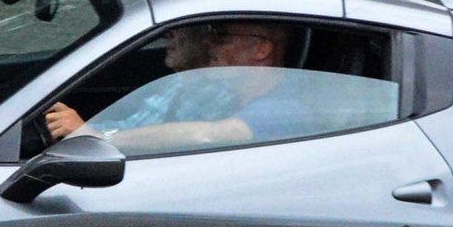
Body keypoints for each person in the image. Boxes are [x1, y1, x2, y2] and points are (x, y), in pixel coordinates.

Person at [43, 20, 305, 153]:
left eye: (222, 37)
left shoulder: (283, 107)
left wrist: (98, 139)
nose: (210, 44)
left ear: (262, 49)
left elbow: (207, 135)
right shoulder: (227, 92)